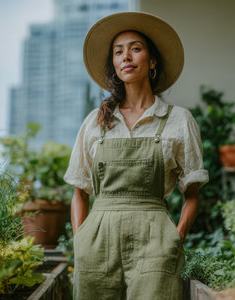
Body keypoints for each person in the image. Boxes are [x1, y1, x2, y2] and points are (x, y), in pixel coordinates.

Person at [64, 11, 209, 300]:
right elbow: (80, 191)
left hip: (156, 242)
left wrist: (175, 238)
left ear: (151, 61)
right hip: (96, 243)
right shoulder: (96, 121)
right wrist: (81, 241)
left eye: (135, 49)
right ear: (114, 65)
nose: (126, 57)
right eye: (118, 52)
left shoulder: (178, 120)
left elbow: (192, 193)